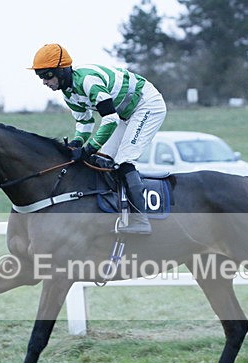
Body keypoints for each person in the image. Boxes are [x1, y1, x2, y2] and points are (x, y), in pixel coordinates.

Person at [30, 43, 167, 234]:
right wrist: (76, 144)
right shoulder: (69, 94)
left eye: (47, 75)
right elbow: (85, 124)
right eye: (40, 77)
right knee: (102, 161)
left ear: (61, 71)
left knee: (124, 161)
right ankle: (113, 211)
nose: (44, 82)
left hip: (146, 106)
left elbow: (110, 119)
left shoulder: (87, 82)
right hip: (123, 114)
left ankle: (140, 220)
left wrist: (89, 148)